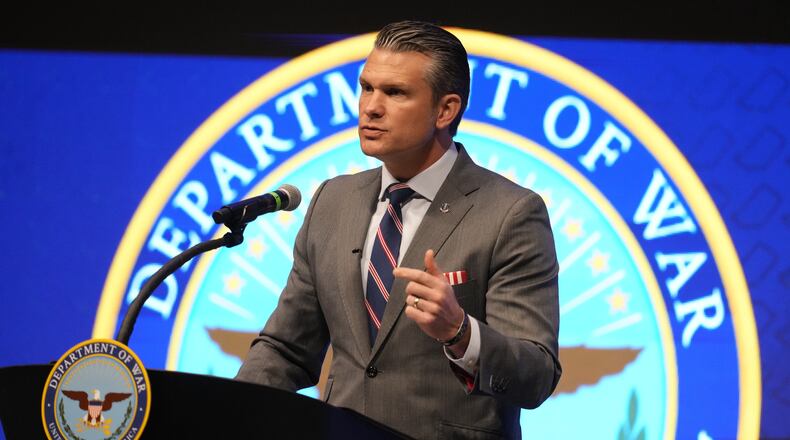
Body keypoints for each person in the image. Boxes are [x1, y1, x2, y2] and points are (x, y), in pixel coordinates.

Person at [236, 20, 561, 439]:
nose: (370, 106)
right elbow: (286, 349)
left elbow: (536, 375)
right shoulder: (332, 202)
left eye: (395, 93)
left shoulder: (510, 213)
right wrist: (230, 412)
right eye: (367, 87)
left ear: (445, 110)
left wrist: (460, 332)